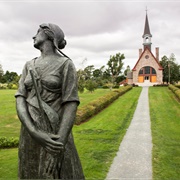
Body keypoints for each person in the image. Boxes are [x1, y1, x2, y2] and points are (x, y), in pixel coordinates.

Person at [15, 23, 84, 179]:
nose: (34, 36)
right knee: (30, 171)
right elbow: (20, 97)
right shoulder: (28, 65)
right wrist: (33, 131)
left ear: (49, 34)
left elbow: (71, 103)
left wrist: (57, 147)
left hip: (55, 134)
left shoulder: (66, 64)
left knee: (55, 173)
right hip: (29, 133)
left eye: (37, 32)